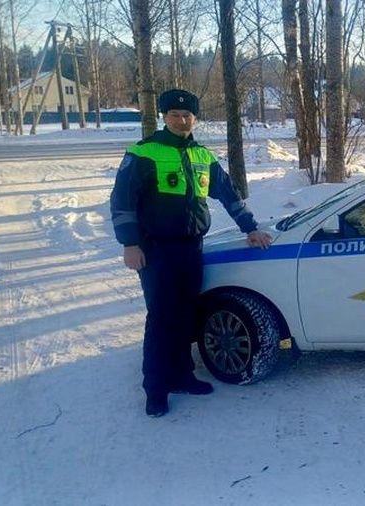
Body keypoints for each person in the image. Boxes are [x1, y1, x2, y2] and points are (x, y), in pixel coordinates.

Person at [110, 89, 273, 418]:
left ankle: (183, 376)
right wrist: (130, 243)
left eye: (187, 116)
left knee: (186, 314)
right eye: (174, 115)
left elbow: (229, 195)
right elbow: (122, 201)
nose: (182, 120)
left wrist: (250, 228)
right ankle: (156, 389)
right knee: (161, 318)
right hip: (155, 250)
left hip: (191, 247)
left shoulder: (203, 157)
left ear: (195, 119)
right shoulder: (144, 152)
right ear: (164, 117)